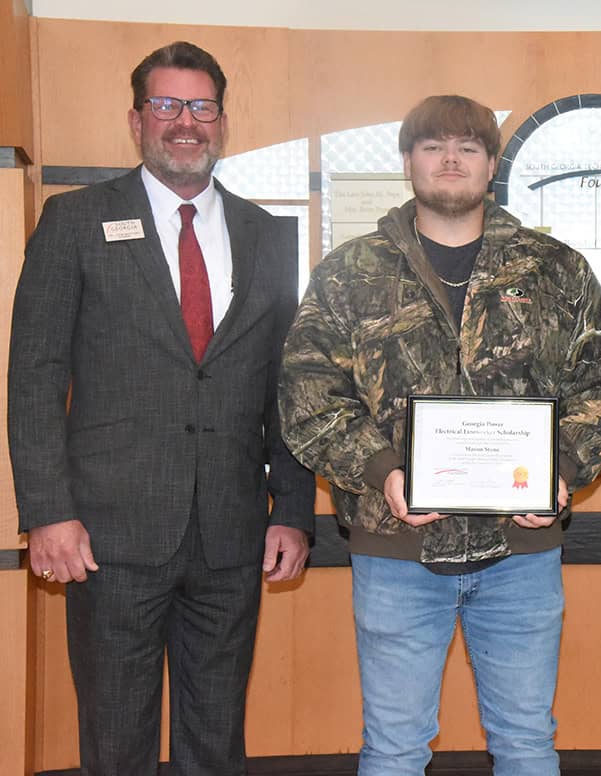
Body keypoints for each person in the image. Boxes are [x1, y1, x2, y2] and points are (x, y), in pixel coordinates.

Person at [277, 94, 601, 776]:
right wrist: (382, 468)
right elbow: (309, 392)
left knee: (527, 742)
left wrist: (560, 469)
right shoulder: (350, 272)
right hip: (398, 554)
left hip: (522, 553)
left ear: (491, 165)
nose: (450, 159)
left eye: (467, 147)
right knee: (394, 748)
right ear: (408, 161)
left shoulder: (554, 269)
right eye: (433, 146)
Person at [8, 41, 315, 775]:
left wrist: (293, 508)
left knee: (216, 738)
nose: (186, 122)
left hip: (232, 535)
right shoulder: (75, 221)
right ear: (137, 119)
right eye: (167, 105)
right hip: (108, 536)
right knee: (117, 740)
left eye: (201, 106)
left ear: (222, 121)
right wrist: (47, 510)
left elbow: (288, 384)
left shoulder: (268, 235)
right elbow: (34, 378)